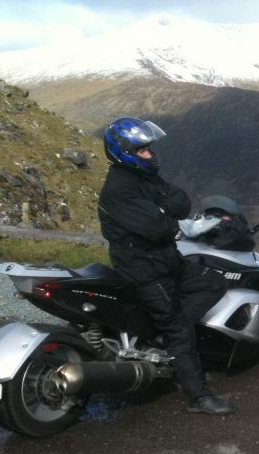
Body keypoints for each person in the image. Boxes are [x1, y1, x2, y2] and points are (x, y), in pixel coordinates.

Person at [98, 116, 234, 415]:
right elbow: (156, 227)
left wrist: (164, 210)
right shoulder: (119, 189)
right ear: (124, 152)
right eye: (143, 150)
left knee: (214, 282)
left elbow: (181, 202)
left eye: (149, 148)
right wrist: (163, 211)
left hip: (167, 260)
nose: (150, 154)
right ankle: (198, 397)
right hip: (143, 269)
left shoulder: (144, 177)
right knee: (178, 330)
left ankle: (173, 332)